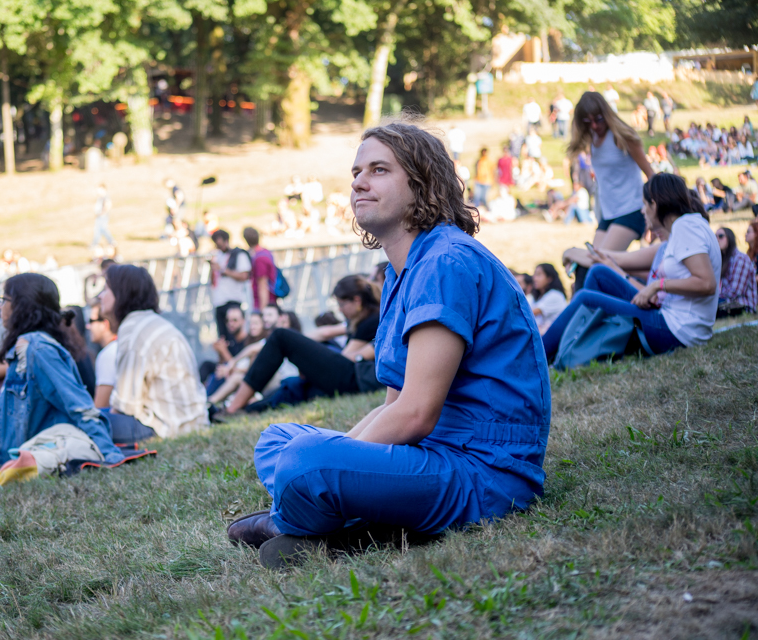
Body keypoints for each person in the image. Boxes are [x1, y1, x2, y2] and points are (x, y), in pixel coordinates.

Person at [227, 120, 550, 569]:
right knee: (277, 440)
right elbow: (392, 404)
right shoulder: (403, 273)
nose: (359, 181)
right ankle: (348, 522)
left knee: (303, 461)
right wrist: (347, 458)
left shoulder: (444, 263)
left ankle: (292, 523)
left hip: (485, 474)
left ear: (422, 184)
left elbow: (416, 414)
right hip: (430, 457)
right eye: (356, 172)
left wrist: (333, 462)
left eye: (379, 170)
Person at [0, 274, 123, 497]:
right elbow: (0, 421)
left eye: (3, 300)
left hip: (5, 462)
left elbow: (81, 408)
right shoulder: (25, 349)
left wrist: (112, 458)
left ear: (20, 306)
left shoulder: (39, 350)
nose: (0, 307)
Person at [542, 173, 720, 361]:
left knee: (586, 298)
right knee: (599, 273)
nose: (643, 211)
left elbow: (706, 284)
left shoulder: (686, 226)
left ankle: (539, 355)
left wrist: (657, 285)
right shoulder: (684, 228)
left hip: (676, 330)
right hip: (672, 320)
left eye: (645, 204)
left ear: (655, 203)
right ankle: (574, 348)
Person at [221, 275, 382, 415]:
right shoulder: (356, 321)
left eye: (341, 305)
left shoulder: (371, 321)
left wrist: (310, 362)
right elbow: (323, 333)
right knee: (294, 387)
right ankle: (245, 411)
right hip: (350, 377)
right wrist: (303, 348)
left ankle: (233, 407)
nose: (340, 310)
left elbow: (347, 358)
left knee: (280, 336)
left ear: (357, 301)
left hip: (355, 377)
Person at [103, 264, 208, 440]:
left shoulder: (133, 329)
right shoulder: (149, 321)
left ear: (121, 293)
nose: (100, 296)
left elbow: (125, 405)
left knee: (85, 423)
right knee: (95, 417)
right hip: (189, 421)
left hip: (167, 427)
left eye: (106, 289)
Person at [568, 91, 654, 253]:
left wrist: (655, 216)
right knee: (592, 264)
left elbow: (650, 174)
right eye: (588, 121)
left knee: (602, 262)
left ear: (606, 114)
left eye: (598, 119)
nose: (594, 126)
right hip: (608, 213)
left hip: (632, 209)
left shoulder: (622, 137)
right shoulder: (592, 138)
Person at [209, 229, 252, 340]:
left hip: (233, 300)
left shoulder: (239, 255)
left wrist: (223, 270)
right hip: (219, 301)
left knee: (235, 336)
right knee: (223, 337)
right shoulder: (217, 256)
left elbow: (244, 276)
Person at [715, 228, 757, 316]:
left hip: (743, 306)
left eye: (721, 236)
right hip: (727, 304)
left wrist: (714, 298)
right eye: (715, 237)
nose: (717, 239)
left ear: (729, 238)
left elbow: (735, 291)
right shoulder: (722, 261)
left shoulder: (740, 259)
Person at [88, 301, 117, 410]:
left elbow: (100, 407)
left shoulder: (108, 355)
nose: (88, 326)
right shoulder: (120, 346)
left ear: (105, 324)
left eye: (91, 321)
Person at [244, 227, 277, 310]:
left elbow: (263, 284)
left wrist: (263, 311)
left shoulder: (259, 259)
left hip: (264, 302)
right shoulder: (265, 252)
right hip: (270, 299)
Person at [529, 264, 567, 333]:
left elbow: (530, 313)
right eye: (534, 275)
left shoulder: (555, 295)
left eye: (539, 275)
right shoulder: (538, 297)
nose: (535, 279)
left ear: (549, 278)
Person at [91, 183, 116, 257]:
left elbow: (108, 205)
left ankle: (111, 241)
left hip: (103, 216)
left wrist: (103, 213)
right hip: (100, 215)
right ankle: (96, 243)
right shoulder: (100, 197)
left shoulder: (106, 197)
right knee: (99, 230)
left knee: (101, 229)